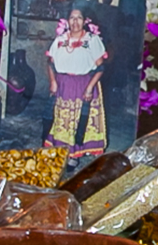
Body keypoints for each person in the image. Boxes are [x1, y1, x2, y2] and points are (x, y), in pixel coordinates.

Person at [42, 10, 110, 153]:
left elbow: (101, 67)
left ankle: (75, 154)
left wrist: (90, 88)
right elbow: (50, 63)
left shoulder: (92, 40)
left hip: (83, 84)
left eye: (79, 18)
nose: (75, 21)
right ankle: (61, 150)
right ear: (67, 21)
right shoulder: (60, 40)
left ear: (85, 21)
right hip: (63, 84)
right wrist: (53, 81)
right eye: (72, 18)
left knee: (79, 120)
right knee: (62, 119)